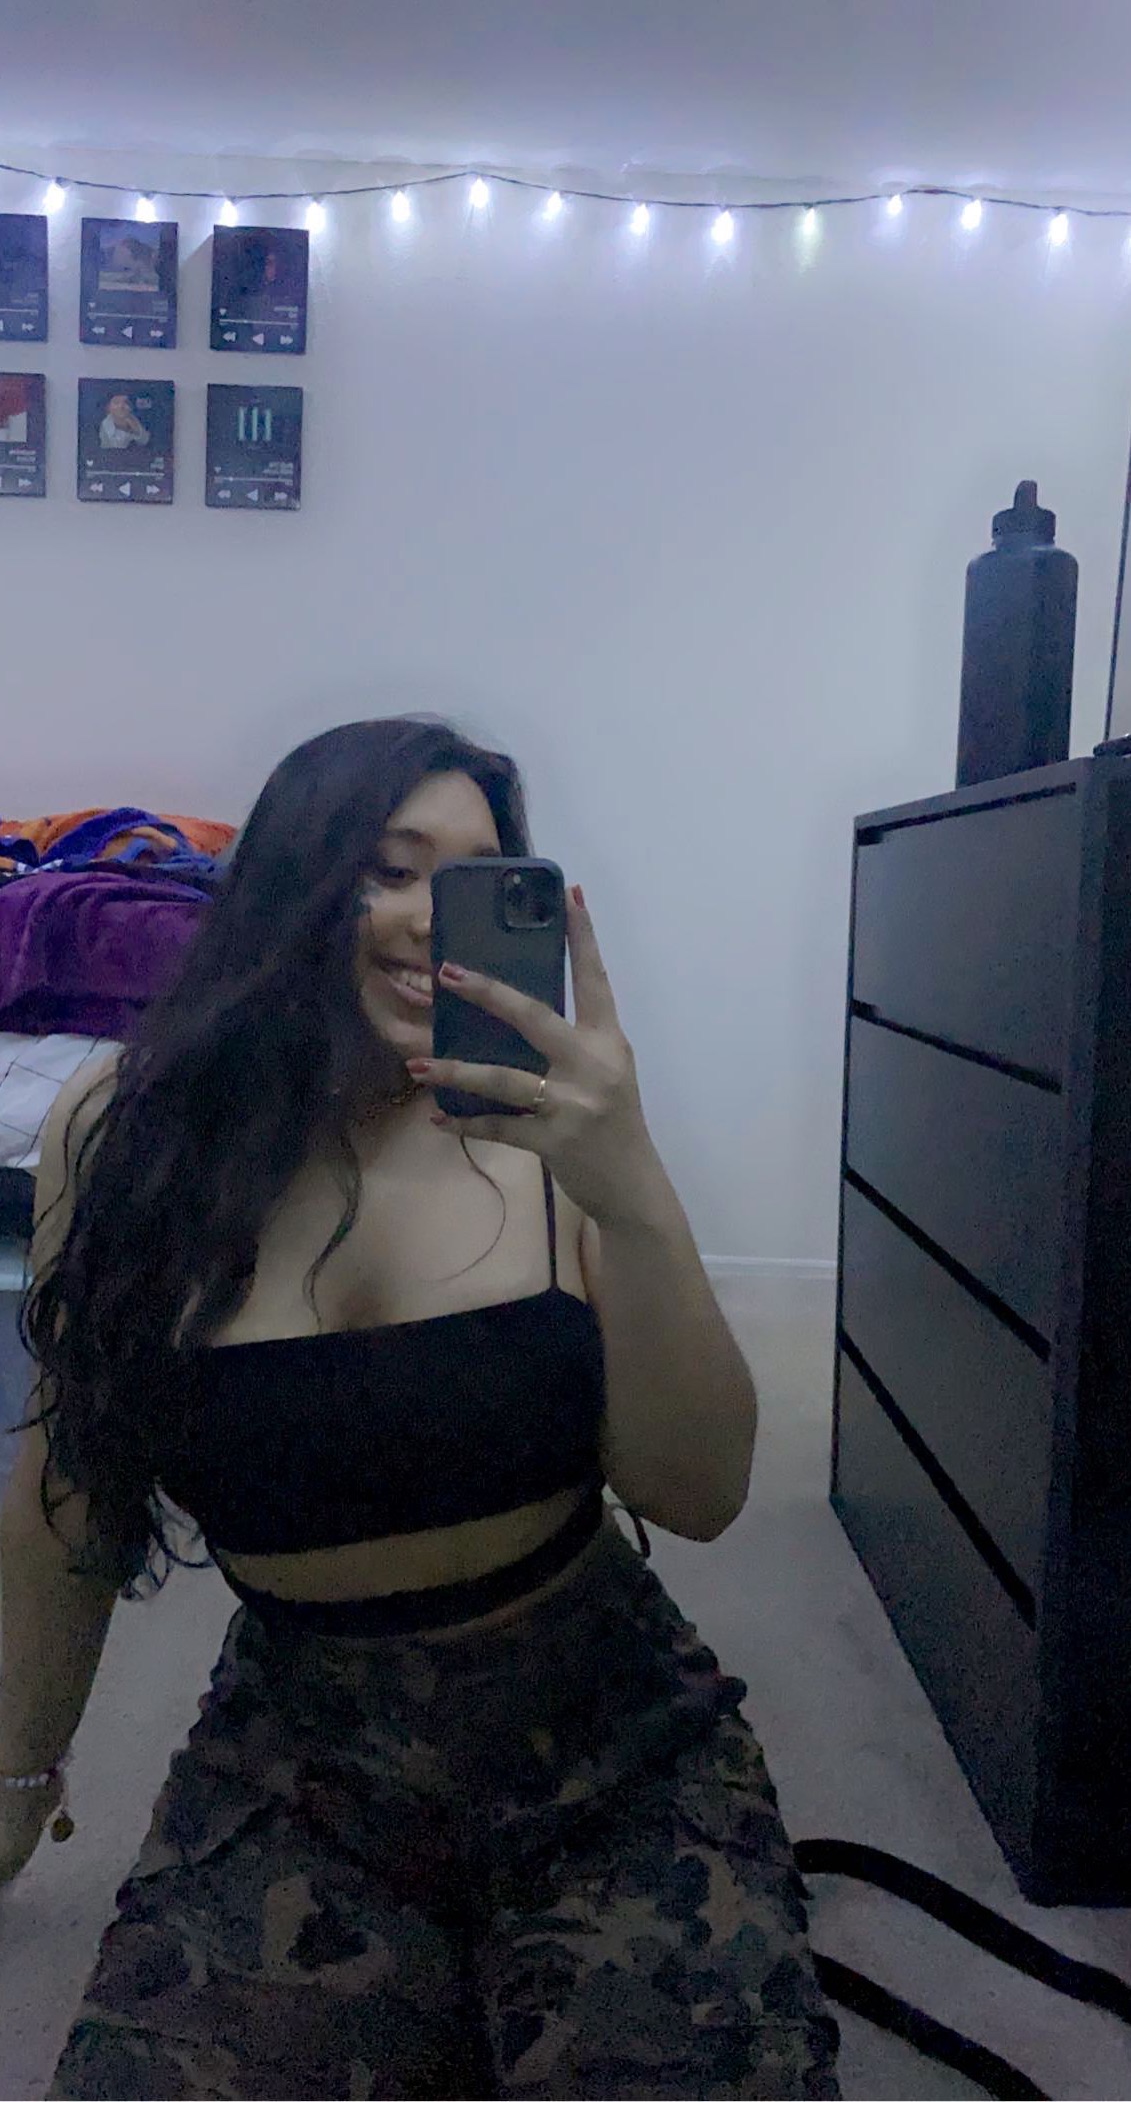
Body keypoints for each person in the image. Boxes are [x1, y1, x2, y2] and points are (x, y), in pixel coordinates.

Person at [0, 717, 842, 2100]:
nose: (427, 921)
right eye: (387, 871)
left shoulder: (555, 1131)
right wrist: (17, 1780)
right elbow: (68, 1494)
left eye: (472, 882)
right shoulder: (127, 1135)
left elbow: (699, 1494)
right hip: (302, 1760)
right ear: (289, 886)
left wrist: (632, 1192)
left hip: (604, 1734)